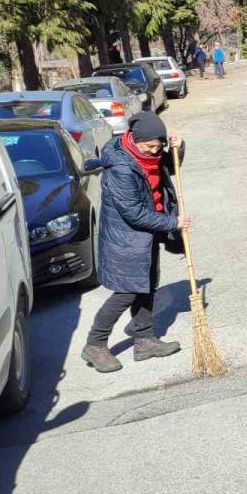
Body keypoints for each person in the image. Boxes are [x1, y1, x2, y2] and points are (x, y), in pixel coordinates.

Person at [80, 112, 191, 373]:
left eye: (158, 146)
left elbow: (170, 166)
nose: (154, 151)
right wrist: (172, 223)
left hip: (146, 234)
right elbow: (134, 212)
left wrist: (178, 147)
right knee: (126, 292)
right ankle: (94, 344)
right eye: (149, 146)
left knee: (148, 285)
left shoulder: (149, 155)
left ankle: (144, 340)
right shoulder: (121, 168)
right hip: (126, 238)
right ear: (134, 139)